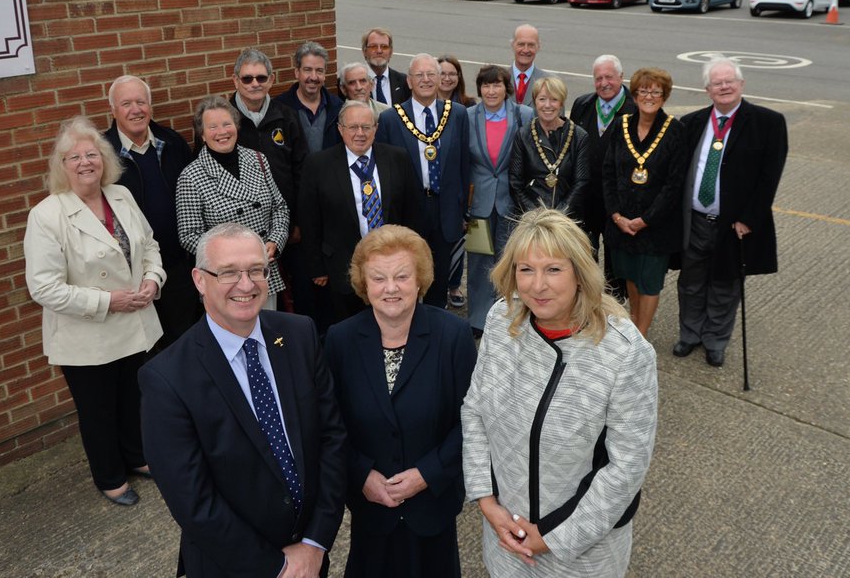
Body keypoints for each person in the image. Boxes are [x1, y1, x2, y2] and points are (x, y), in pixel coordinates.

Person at [140, 223, 347, 578]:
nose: (247, 284)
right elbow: (193, 502)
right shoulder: (166, 379)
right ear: (199, 280)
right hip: (235, 566)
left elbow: (331, 439)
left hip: (311, 558)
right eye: (228, 273)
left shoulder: (300, 335)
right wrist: (278, 567)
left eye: (256, 270)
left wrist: (315, 544)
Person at [461, 208, 658, 577]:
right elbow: (474, 410)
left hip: (582, 554)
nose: (538, 286)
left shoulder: (625, 352)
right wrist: (486, 501)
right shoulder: (501, 320)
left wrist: (555, 537)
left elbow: (626, 467)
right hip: (506, 534)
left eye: (553, 269)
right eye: (526, 269)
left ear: (580, 274)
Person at [24, 117, 164, 507]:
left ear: (104, 159)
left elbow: (149, 245)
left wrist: (153, 280)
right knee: (98, 411)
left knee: (133, 399)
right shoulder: (47, 215)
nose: (86, 162)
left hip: (134, 322)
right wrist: (108, 301)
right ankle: (110, 476)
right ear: (62, 166)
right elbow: (44, 288)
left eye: (92, 154)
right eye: (75, 157)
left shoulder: (121, 195)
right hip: (88, 334)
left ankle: (136, 456)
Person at [324, 225, 477, 578]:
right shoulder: (340, 340)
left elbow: (473, 421)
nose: (390, 288)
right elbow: (330, 423)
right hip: (371, 510)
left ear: (420, 279)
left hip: (432, 507)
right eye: (378, 278)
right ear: (364, 284)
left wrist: (428, 474)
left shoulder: (453, 336)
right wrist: (361, 474)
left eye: (401, 276)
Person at [673, 58, 788, 367]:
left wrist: (750, 218)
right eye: (717, 83)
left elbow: (769, 177)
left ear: (741, 84)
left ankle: (715, 340)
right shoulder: (692, 122)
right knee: (691, 282)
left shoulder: (768, 123)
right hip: (695, 221)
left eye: (729, 82)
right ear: (707, 89)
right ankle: (690, 333)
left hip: (734, 224)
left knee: (725, 284)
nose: (723, 87)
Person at [298, 101, 422, 327]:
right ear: (340, 129)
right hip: (340, 267)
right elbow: (309, 220)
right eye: (353, 127)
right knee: (349, 327)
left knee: (391, 322)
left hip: (391, 263)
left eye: (366, 127)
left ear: (376, 128)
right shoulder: (318, 164)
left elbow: (413, 213)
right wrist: (316, 267)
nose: (360, 133)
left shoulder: (398, 158)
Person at [102, 75, 197, 350]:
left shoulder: (172, 142)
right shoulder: (102, 152)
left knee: (184, 343)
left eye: (141, 102)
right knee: (146, 351)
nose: (136, 110)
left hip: (179, 267)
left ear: (150, 106)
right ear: (113, 110)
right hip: (133, 278)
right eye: (126, 104)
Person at [175, 96, 290, 306]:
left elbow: (280, 207)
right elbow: (188, 235)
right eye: (213, 127)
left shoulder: (258, 159)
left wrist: (275, 241)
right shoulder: (190, 177)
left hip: (262, 269)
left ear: (236, 127)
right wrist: (229, 256)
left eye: (227, 124)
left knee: (268, 330)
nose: (222, 132)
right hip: (225, 278)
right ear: (202, 134)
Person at [377, 53, 471, 309]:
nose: (426, 80)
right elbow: (385, 172)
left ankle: (435, 322)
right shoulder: (391, 118)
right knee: (407, 272)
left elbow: (464, 164)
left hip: (446, 208)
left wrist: (464, 209)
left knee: (439, 276)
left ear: (440, 79)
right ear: (409, 81)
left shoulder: (458, 114)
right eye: (420, 75)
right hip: (409, 211)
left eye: (431, 74)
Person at [602, 68, 686, 335]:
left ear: (665, 96)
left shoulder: (675, 130)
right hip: (622, 224)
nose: (649, 96)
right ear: (635, 94)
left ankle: (641, 334)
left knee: (649, 282)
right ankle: (633, 324)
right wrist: (616, 216)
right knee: (630, 277)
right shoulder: (620, 124)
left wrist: (646, 220)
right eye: (644, 90)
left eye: (656, 91)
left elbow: (675, 185)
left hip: (655, 227)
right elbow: (608, 173)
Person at [229, 48, 312, 314]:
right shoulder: (223, 120)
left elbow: (301, 168)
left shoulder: (286, 116)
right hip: (245, 231)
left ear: (272, 80)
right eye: (247, 78)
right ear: (235, 81)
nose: (255, 84)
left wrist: (297, 220)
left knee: (297, 289)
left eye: (261, 78)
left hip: (286, 224)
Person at [465, 65, 533, 334]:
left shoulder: (523, 115)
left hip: (511, 201)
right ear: (479, 89)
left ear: (506, 88)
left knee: (510, 259)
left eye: (497, 85)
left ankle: (508, 316)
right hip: (478, 202)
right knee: (479, 260)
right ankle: (479, 319)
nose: (491, 91)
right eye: (486, 85)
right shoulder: (468, 116)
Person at [570, 55, 638, 300]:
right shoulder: (582, 105)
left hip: (618, 204)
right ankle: (586, 305)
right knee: (584, 258)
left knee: (616, 266)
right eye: (598, 78)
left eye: (609, 76)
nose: (604, 83)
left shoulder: (635, 109)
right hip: (586, 201)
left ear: (621, 76)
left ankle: (614, 313)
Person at [509, 76, 590, 221]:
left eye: (554, 99)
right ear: (534, 102)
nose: (548, 105)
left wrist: (558, 216)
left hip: (566, 221)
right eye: (542, 99)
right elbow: (515, 183)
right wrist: (536, 216)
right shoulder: (523, 135)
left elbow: (581, 182)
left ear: (561, 103)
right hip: (531, 219)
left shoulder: (579, 136)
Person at [437, 55, 475, 308]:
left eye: (453, 73)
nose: (448, 78)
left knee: (458, 239)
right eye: (443, 73)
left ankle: (453, 285)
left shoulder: (467, 106)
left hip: (458, 185)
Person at [280, 41, 343, 154]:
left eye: (319, 71)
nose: (313, 77)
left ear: (324, 75)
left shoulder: (338, 107)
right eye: (308, 70)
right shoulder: (280, 107)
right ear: (297, 72)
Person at [362, 27, 411, 106]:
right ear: (364, 51)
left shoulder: (404, 81)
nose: (379, 51)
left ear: (391, 52)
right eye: (373, 46)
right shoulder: (354, 82)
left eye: (384, 47)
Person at [510, 24, 550, 107]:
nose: (525, 50)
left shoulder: (550, 83)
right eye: (521, 44)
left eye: (531, 45)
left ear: (538, 47)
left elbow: (558, 118)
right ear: (513, 45)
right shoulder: (498, 81)